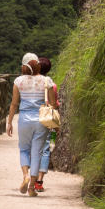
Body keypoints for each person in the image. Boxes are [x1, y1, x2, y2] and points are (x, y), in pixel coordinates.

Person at [6, 53, 56, 197]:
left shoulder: (18, 81)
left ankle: (26, 176)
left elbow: (14, 104)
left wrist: (9, 122)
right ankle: (32, 188)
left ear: (23, 65)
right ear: (38, 65)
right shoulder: (47, 80)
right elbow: (52, 104)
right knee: (37, 153)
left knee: (23, 149)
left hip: (24, 119)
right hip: (41, 120)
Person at [36, 57, 59, 192]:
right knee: (45, 150)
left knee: (33, 148)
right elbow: (54, 104)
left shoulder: (32, 84)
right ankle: (39, 181)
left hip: (35, 118)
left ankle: (30, 177)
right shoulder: (52, 85)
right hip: (48, 120)